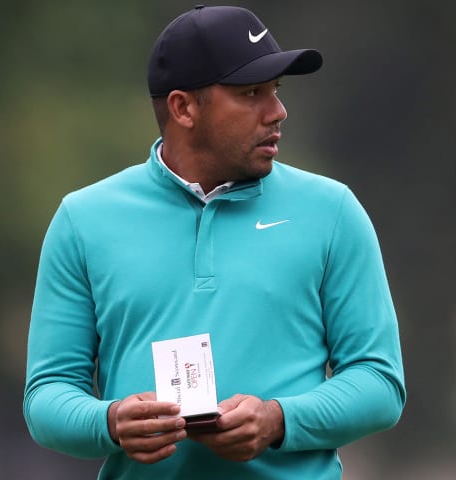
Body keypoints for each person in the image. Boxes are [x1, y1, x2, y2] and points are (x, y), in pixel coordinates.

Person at [23, 5, 406, 479]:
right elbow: (47, 396)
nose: (277, 111)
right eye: (251, 93)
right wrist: (111, 421)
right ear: (183, 108)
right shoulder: (83, 220)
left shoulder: (332, 211)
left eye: (276, 91)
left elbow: (379, 383)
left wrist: (278, 420)